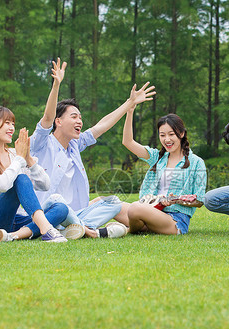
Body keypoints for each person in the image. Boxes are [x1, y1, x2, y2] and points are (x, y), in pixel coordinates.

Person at [30, 59, 156, 239]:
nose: (79, 121)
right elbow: (48, 117)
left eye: (80, 117)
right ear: (59, 122)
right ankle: (88, 231)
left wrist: (129, 104)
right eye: (73, 117)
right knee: (61, 206)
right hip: (50, 213)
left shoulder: (74, 145)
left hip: (76, 214)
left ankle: (78, 228)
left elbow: (102, 125)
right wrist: (56, 85)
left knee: (113, 202)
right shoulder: (42, 144)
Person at [0, 105, 70, 243]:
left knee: (61, 209)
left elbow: (45, 185)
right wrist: (20, 159)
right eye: (7, 123)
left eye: (13, 124)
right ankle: (47, 230)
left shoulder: (15, 154)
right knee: (20, 178)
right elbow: (3, 185)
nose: (12, 128)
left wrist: (29, 160)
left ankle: (14, 235)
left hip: (17, 220)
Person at [122, 111, 207, 235]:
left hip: (175, 220)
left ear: (182, 133)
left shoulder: (197, 162)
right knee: (108, 203)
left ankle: (129, 229)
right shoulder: (157, 157)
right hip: (150, 209)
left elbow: (199, 200)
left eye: (171, 134)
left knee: (135, 208)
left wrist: (176, 200)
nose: (167, 139)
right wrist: (130, 111)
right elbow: (127, 142)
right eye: (162, 135)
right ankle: (87, 228)